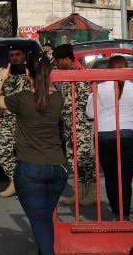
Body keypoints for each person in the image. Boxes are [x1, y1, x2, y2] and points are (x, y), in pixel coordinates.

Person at [0, 52, 66, 255]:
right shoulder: (58, 97)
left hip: (31, 169)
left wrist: (1, 78)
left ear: (26, 72)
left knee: (39, 220)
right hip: (58, 168)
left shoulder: (22, 99)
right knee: (44, 219)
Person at [85, 55, 133, 219]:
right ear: (126, 68)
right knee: (125, 178)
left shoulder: (99, 87)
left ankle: (115, 213)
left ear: (108, 69)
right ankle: (124, 215)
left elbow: (90, 113)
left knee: (111, 177)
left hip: (104, 135)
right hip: (129, 134)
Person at [54, 43, 97, 207]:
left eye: (58, 60)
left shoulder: (81, 75)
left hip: (82, 125)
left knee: (85, 159)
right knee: (73, 160)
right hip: (69, 125)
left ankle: (91, 193)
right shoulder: (63, 76)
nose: (56, 64)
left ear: (66, 59)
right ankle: (80, 193)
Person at [0, 43, 31, 198]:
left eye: (17, 54)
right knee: (3, 152)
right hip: (8, 120)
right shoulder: (6, 74)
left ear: (24, 56)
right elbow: (3, 97)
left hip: (26, 121)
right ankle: (14, 182)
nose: (14, 58)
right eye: (11, 55)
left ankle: (28, 184)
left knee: (27, 155)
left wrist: (30, 75)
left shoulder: (31, 73)